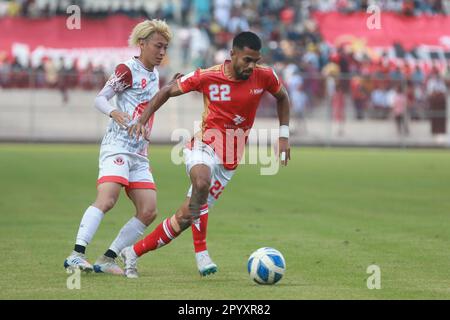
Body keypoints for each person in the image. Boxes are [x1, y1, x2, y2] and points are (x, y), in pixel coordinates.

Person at [120, 31, 291, 278]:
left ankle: (132, 253)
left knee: (186, 216)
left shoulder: (264, 76)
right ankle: (201, 253)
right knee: (201, 180)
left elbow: (283, 98)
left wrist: (283, 136)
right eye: (247, 60)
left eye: (256, 61)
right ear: (232, 54)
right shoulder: (208, 76)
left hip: (230, 158)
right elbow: (167, 91)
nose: (251, 66)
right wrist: (142, 121)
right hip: (205, 145)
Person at [63, 19, 175, 275]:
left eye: (165, 47)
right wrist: (114, 112)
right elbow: (100, 98)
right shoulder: (127, 69)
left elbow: (148, 105)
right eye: (158, 46)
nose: (162, 52)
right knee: (108, 199)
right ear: (142, 43)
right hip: (117, 147)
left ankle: (108, 258)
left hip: (139, 152)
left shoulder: (155, 73)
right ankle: (76, 254)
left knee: (149, 210)